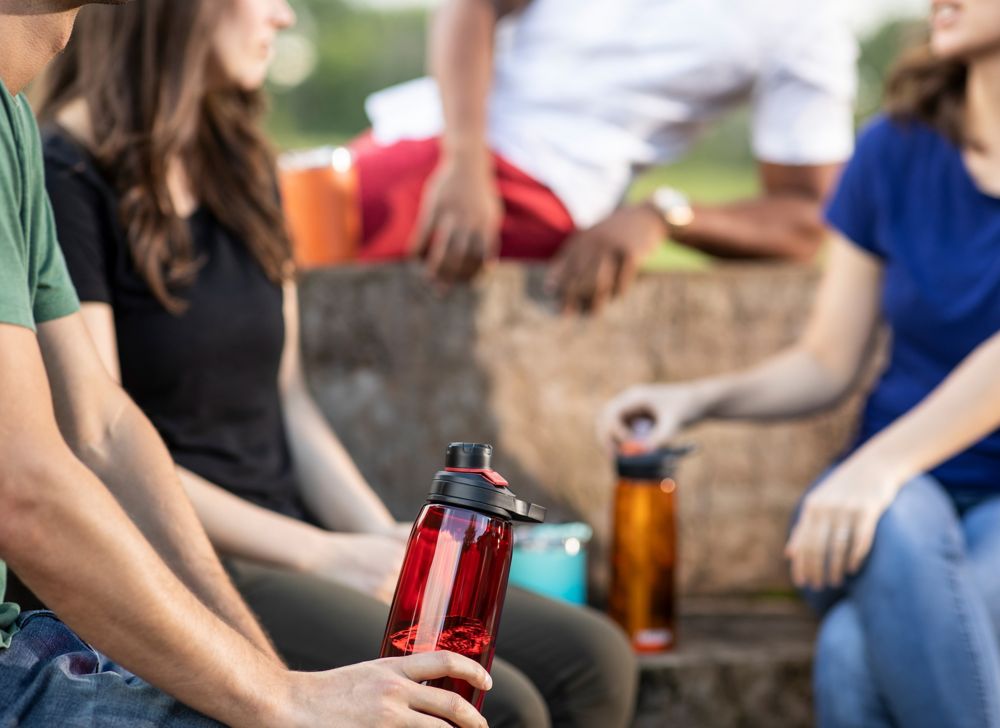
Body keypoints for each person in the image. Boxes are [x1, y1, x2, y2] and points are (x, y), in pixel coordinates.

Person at [36, 1, 638, 726]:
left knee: (593, 657)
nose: (285, 17)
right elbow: (97, 440)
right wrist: (321, 555)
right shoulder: (61, 175)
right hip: (185, 553)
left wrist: (384, 540)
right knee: (488, 706)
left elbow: (289, 402)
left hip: (298, 535)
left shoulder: (243, 161)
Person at [599, 1, 1000, 725]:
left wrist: (876, 467)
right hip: (899, 492)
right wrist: (696, 399)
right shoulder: (894, 148)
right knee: (895, 537)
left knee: (850, 647)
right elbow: (826, 358)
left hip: (904, 481)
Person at [345, 0, 857, 311]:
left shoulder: (807, 22)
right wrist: (463, 160)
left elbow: (807, 217)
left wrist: (664, 214)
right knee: (288, 207)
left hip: (540, 185)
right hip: (439, 139)